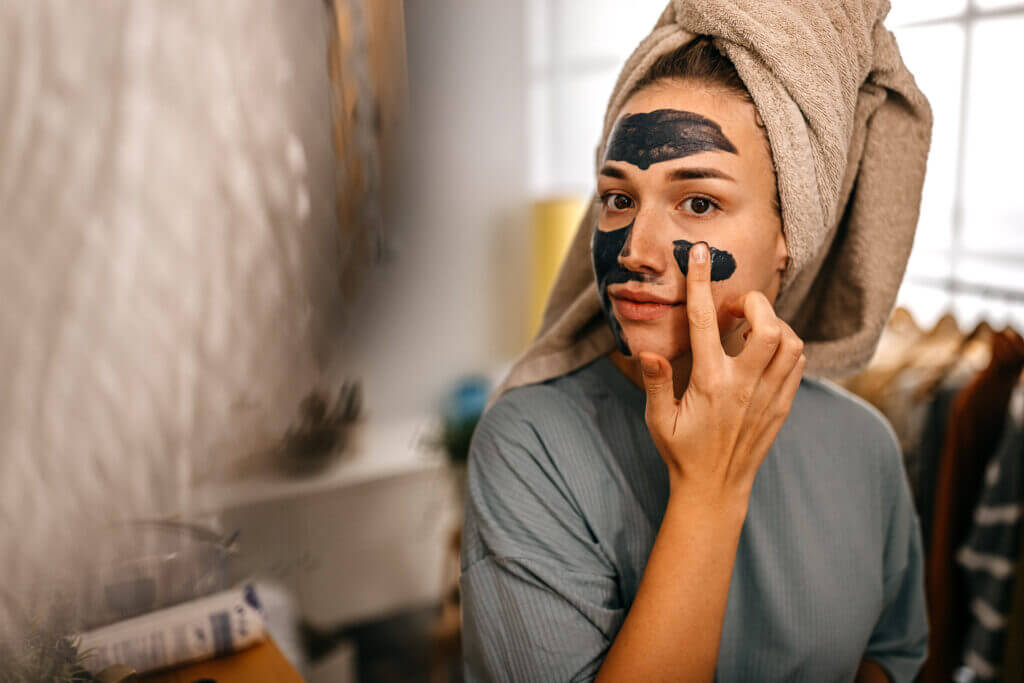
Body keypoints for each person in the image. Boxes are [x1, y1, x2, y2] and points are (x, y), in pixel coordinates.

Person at [459, 2, 933, 681]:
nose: (636, 251)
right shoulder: (529, 443)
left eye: (699, 202)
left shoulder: (866, 447)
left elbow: (891, 652)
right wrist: (708, 489)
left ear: (787, 237)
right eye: (618, 198)